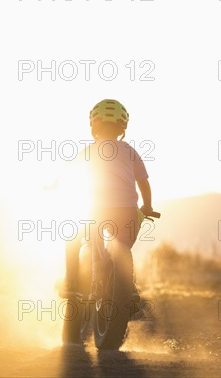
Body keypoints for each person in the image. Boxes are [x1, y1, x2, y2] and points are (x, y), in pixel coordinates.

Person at [59, 99, 154, 300]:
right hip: (127, 211)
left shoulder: (89, 150)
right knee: (122, 248)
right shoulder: (129, 150)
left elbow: (68, 176)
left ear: (94, 125)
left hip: (96, 209)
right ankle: (131, 289)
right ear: (123, 127)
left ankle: (71, 284)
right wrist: (147, 206)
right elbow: (143, 182)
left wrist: (54, 188)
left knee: (72, 239)